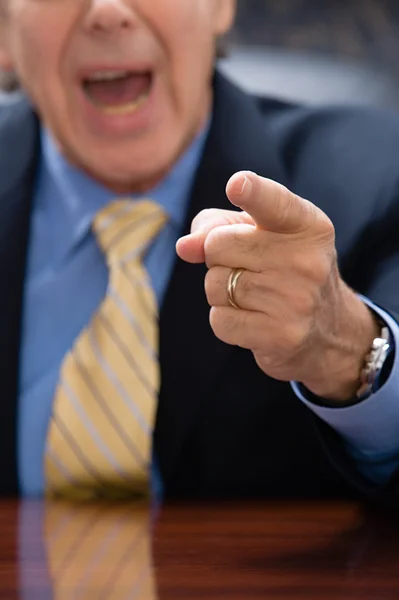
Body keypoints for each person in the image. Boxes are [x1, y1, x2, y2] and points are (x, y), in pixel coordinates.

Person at [0, 0, 398, 506]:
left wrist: (345, 348)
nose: (107, 12)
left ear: (220, 8)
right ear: (4, 34)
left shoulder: (379, 177)